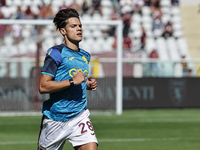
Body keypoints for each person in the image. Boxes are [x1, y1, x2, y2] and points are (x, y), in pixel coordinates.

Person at [38, 8, 98, 150]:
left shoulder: (85, 56)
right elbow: (43, 87)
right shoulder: (56, 53)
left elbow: (77, 80)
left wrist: (86, 85)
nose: (79, 29)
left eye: (80, 26)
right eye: (73, 26)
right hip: (55, 119)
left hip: (79, 116)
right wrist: (72, 82)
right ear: (63, 31)